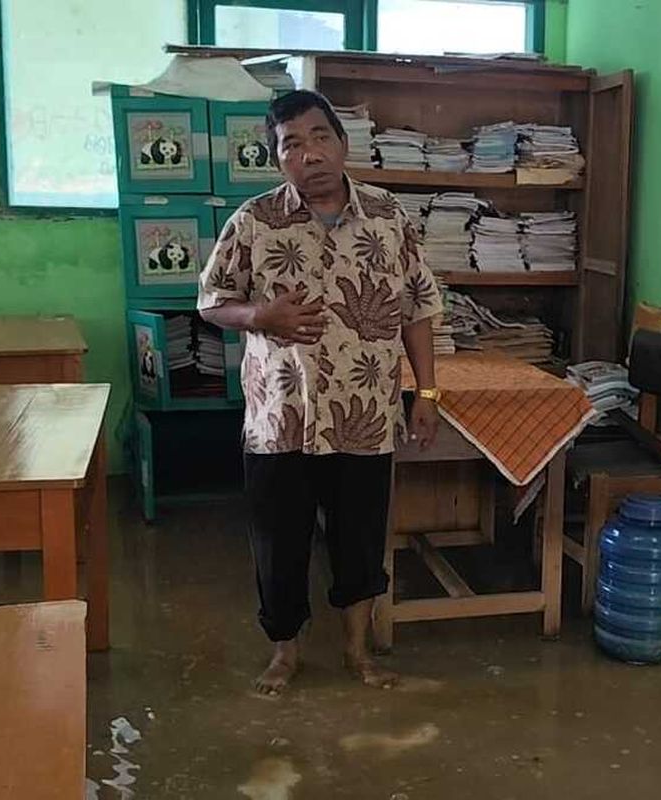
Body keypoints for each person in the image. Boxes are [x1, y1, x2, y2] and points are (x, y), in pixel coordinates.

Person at [198, 90, 443, 694]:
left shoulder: (389, 218)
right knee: (278, 547)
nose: (309, 154)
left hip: (365, 418)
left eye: (319, 137)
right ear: (277, 158)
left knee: (360, 543)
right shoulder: (253, 222)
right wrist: (260, 315)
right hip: (280, 420)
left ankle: (359, 652)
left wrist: (428, 395)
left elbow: (419, 309)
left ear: (343, 142)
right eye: (291, 144)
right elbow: (210, 301)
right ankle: (284, 653)